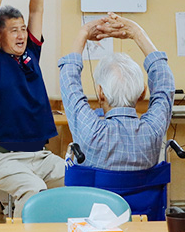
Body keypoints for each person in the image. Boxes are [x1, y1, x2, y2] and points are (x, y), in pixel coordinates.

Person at [0, 0, 63, 217]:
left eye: (23, 29)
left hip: (42, 157)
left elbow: (36, 10)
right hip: (6, 160)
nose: (21, 35)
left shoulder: (31, 55)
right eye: (13, 30)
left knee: (81, 179)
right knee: (34, 190)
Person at [58, 13, 174, 170]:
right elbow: (164, 83)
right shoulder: (152, 131)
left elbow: (69, 81)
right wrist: (137, 33)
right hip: (142, 196)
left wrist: (83, 33)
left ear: (100, 93)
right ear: (143, 92)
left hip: (95, 195)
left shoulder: (90, 131)